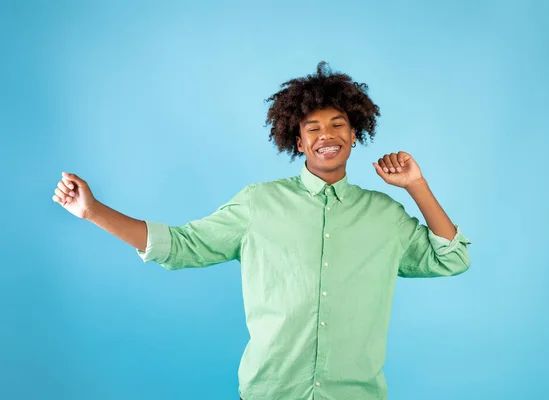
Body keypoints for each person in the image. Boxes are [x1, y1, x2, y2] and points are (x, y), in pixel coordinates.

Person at [52, 62, 472, 400]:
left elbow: (451, 258)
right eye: (313, 127)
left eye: (338, 124)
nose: (327, 134)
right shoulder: (257, 204)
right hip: (270, 393)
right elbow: (181, 246)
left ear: (355, 134)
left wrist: (416, 185)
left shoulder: (384, 215)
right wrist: (93, 211)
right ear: (298, 139)